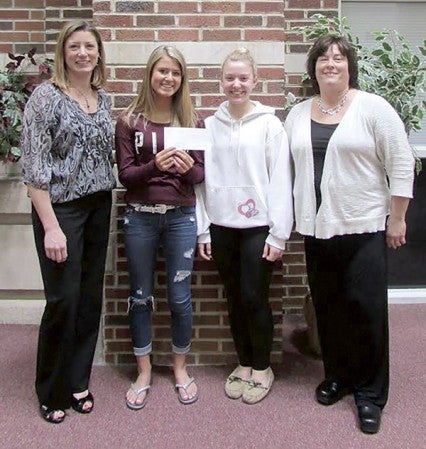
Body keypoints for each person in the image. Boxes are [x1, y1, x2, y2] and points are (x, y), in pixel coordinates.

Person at [284, 34, 414, 434]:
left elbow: (401, 161)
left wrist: (397, 218)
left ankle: (370, 394)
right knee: (329, 307)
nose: (331, 64)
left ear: (349, 66)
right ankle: (337, 376)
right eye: (323, 58)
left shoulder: (373, 108)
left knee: (366, 311)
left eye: (338, 58)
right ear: (314, 69)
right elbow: (286, 167)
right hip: (318, 229)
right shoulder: (298, 112)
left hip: (364, 226)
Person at [20, 20, 116, 423]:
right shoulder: (45, 97)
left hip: (98, 206)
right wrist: (52, 226)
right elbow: (34, 168)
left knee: (90, 298)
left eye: (89, 46)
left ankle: (78, 380)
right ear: (63, 51)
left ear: (98, 54)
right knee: (63, 300)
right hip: (59, 210)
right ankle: (51, 390)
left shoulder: (103, 97)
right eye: (74, 46)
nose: (82, 53)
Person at [197, 48, 293, 404]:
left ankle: (262, 366)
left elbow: (281, 179)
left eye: (243, 78)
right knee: (234, 297)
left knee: (255, 297)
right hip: (221, 226)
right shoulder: (208, 126)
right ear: (220, 81)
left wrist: (279, 232)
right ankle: (243, 362)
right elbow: (200, 183)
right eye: (229, 78)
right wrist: (203, 229)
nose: (236, 85)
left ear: (255, 81)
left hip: (258, 227)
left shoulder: (270, 125)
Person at [115, 45, 204, 410]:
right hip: (140, 217)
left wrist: (186, 168)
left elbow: (200, 176)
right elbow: (125, 177)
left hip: (181, 218)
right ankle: (144, 370)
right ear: (150, 73)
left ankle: (180, 369)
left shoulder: (193, 121)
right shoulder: (129, 121)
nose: (168, 78)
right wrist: (155, 165)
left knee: (180, 298)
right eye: (162, 71)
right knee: (140, 296)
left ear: (182, 79)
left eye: (175, 72)